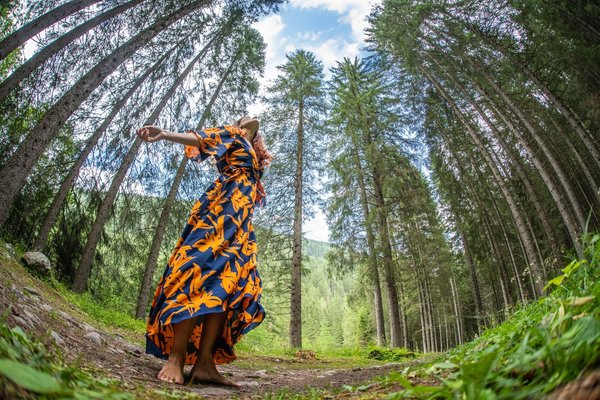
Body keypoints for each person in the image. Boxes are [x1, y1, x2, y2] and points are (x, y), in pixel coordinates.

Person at [136, 116, 272, 387]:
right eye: (243, 116)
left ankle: (205, 364)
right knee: (196, 270)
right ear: (239, 122)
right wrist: (164, 134)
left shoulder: (252, 151)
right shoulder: (232, 134)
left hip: (241, 224)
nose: (250, 117)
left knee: (228, 285)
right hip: (219, 213)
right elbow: (200, 139)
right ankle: (176, 357)